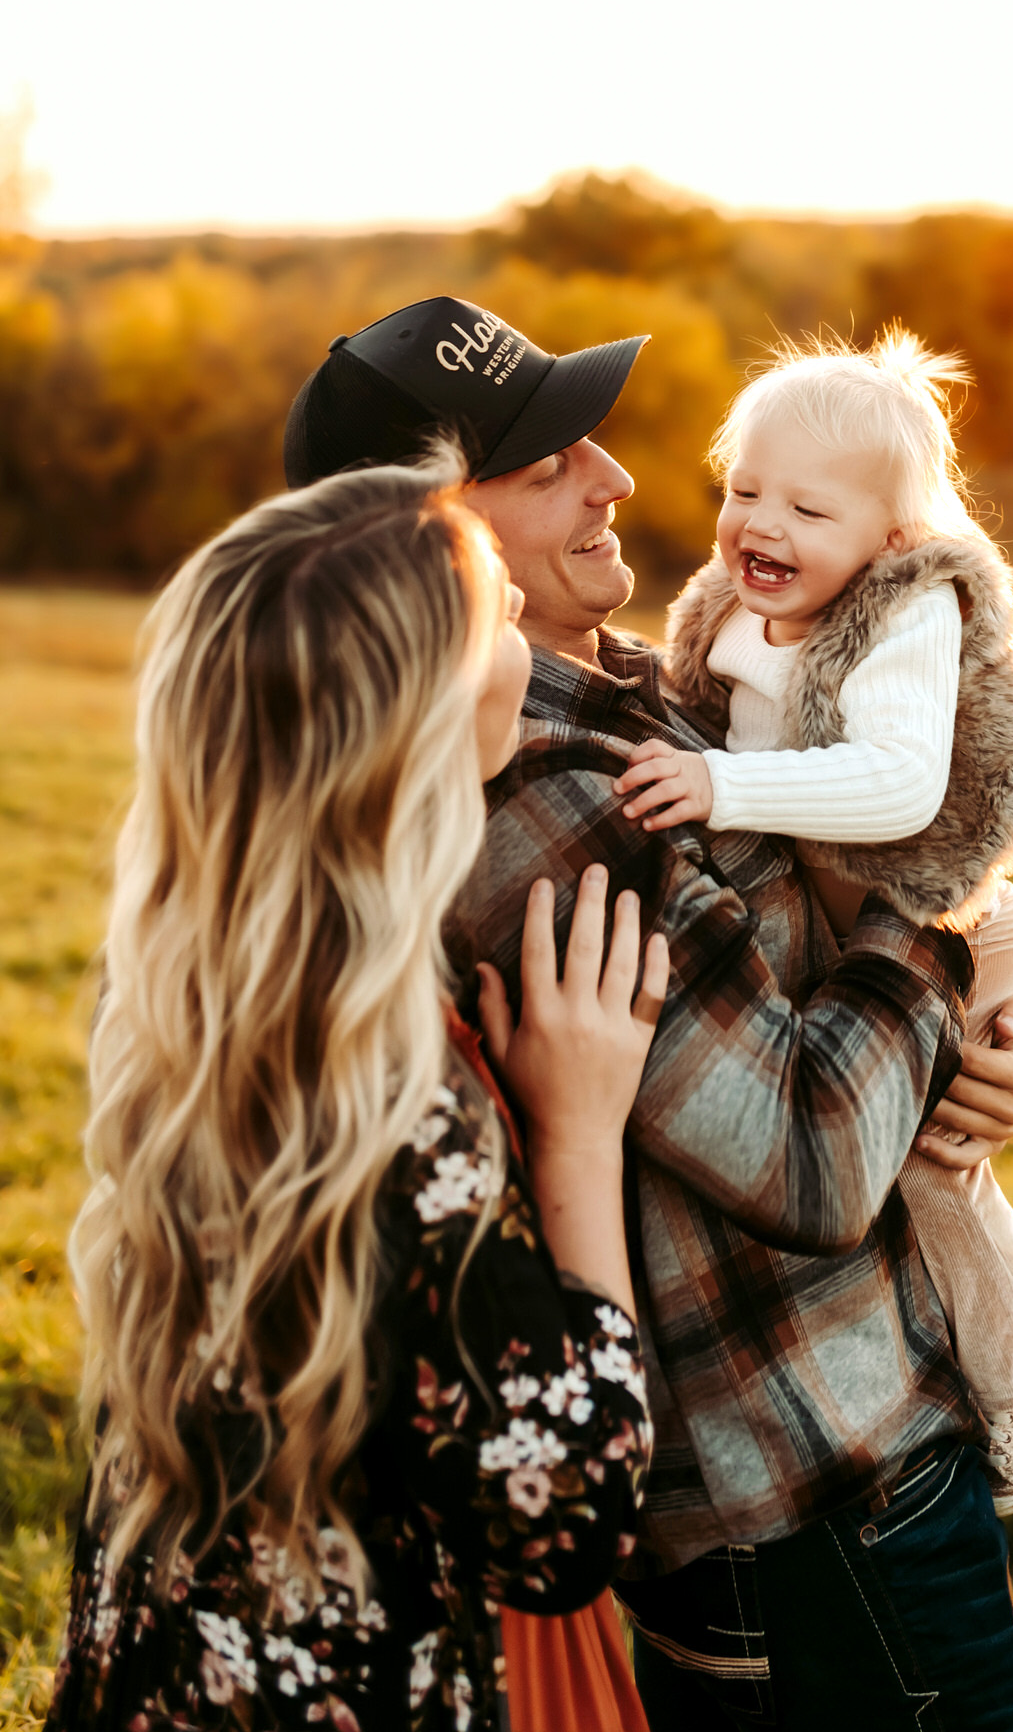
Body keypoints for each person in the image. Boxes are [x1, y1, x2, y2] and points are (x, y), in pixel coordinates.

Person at [283, 296, 1013, 1732]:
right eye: (544, 464)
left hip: (832, 1488)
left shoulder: (646, 688)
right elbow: (812, 1156)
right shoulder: (541, 797)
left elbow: (820, 959)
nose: (617, 477)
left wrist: (983, 1042)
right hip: (812, 1507)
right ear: (429, 540)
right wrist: (947, 930)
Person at [48, 454, 664, 1730]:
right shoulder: (397, 1085)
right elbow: (562, 1519)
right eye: (495, 612)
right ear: (420, 720)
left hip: (171, 1659)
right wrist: (582, 1137)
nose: (522, 639)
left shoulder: (182, 988)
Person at [615, 329, 1013, 1516]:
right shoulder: (733, 606)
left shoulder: (905, 611)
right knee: (898, 1149)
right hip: (838, 919)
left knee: (933, 1165)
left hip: (959, 920)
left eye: (806, 510)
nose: (760, 526)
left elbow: (898, 784)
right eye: (742, 491)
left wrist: (726, 791)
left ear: (890, 538)